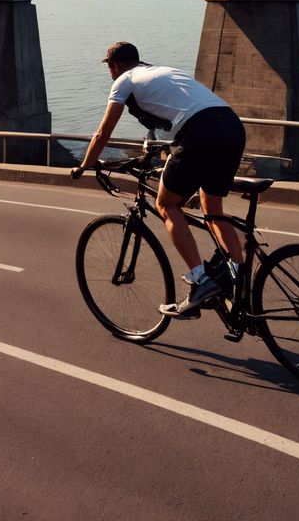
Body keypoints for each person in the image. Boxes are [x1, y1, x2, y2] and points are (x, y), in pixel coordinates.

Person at [72, 41, 248, 318]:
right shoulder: (162, 72)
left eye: (110, 68)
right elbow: (173, 120)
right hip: (232, 126)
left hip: (201, 132)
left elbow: (103, 133)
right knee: (212, 208)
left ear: (114, 66)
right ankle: (239, 280)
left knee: (166, 204)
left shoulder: (124, 80)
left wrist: (85, 165)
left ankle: (201, 281)